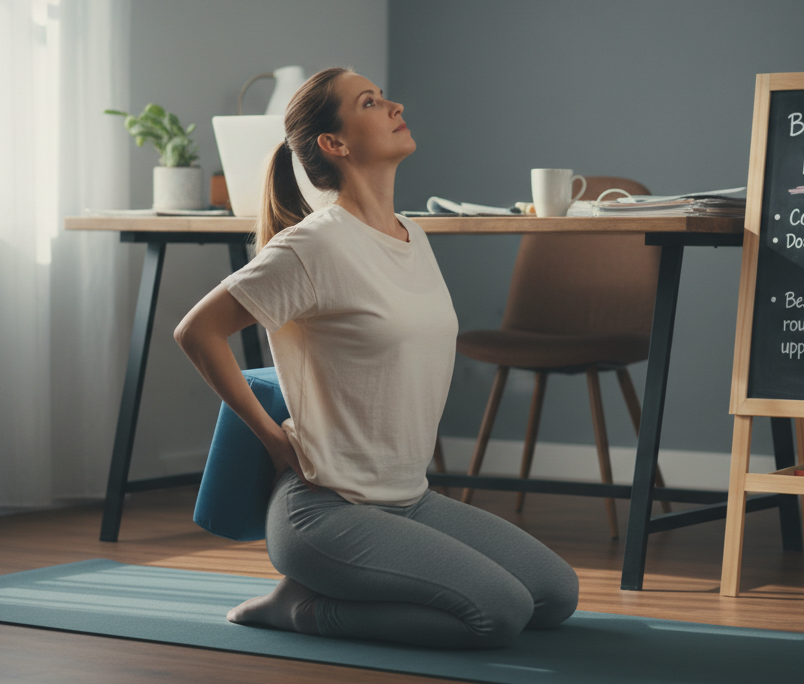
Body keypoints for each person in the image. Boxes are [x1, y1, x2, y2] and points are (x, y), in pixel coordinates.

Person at [173, 67, 578, 649]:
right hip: (325, 512)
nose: (394, 105)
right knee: (500, 613)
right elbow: (197, 331)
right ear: (334, 145)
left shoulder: (412, 234)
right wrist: (269, 437)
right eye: (370, 102)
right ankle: (301, 609)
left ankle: (347, 590)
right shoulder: (314, 245)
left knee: (554, 595)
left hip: (408, 500)